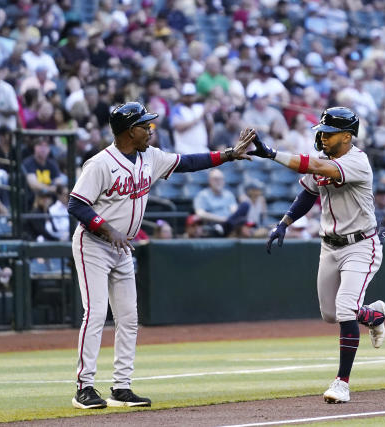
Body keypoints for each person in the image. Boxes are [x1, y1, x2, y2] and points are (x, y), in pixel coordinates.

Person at [67, 101, 255, 409]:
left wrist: (228, 155)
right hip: (93, 244)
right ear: (130, 132)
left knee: (129, 318)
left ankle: (121, 387)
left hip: (122, 247)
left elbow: (188, 162)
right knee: (96, 313)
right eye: (144, 125)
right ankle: (84, 387)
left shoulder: (150, 157)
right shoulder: (100, 163)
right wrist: (107, 229)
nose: (150, 129)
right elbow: (76, 205)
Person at [249, 106, 385, 404]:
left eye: (329, 133)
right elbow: (309, 193)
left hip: (361, 244)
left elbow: (316, 169)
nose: (322, 137)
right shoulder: (325, 158)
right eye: (321, 132)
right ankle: (373, 314)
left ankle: (342, 383)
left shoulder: (357, 161)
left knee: (345, 309)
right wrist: (284, 223)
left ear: (347, 137)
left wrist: (272, 153)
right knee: (330, 314)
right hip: (330, 245)